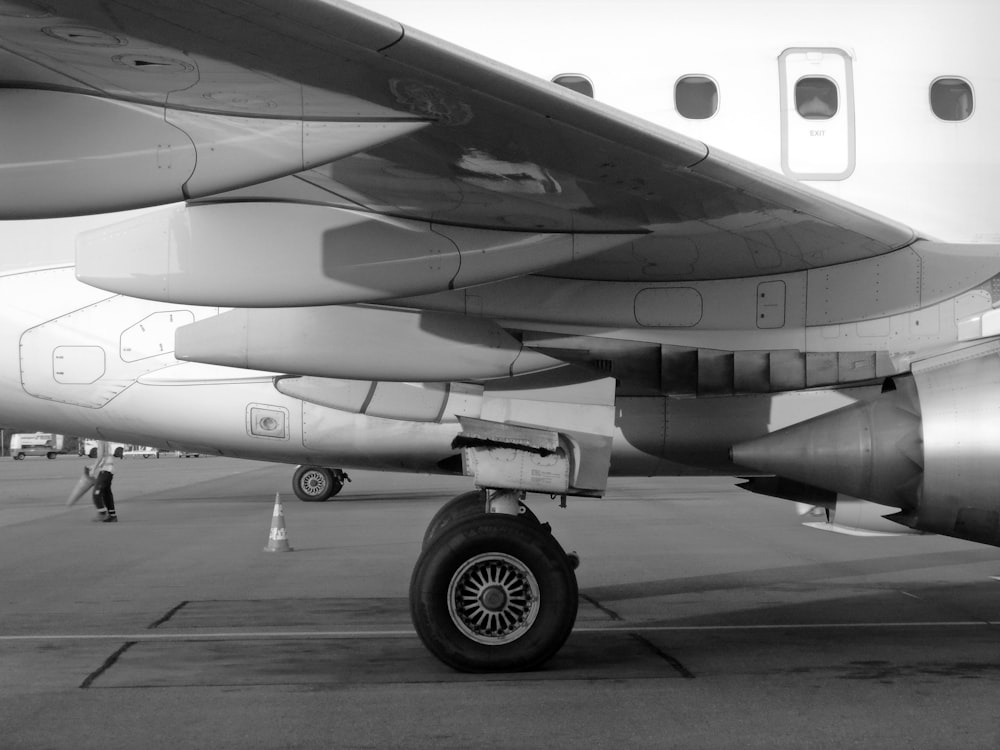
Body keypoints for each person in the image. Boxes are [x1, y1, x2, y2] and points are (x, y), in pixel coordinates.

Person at [92, 450, 118, 522]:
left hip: (106, 471)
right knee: (107, 493)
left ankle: (102, 513)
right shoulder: (106, 440)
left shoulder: (101, 440)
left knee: (96, 493)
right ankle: (112, 515)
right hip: (109, 470)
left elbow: (100, 457)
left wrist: (93, 468)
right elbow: (104, 457)